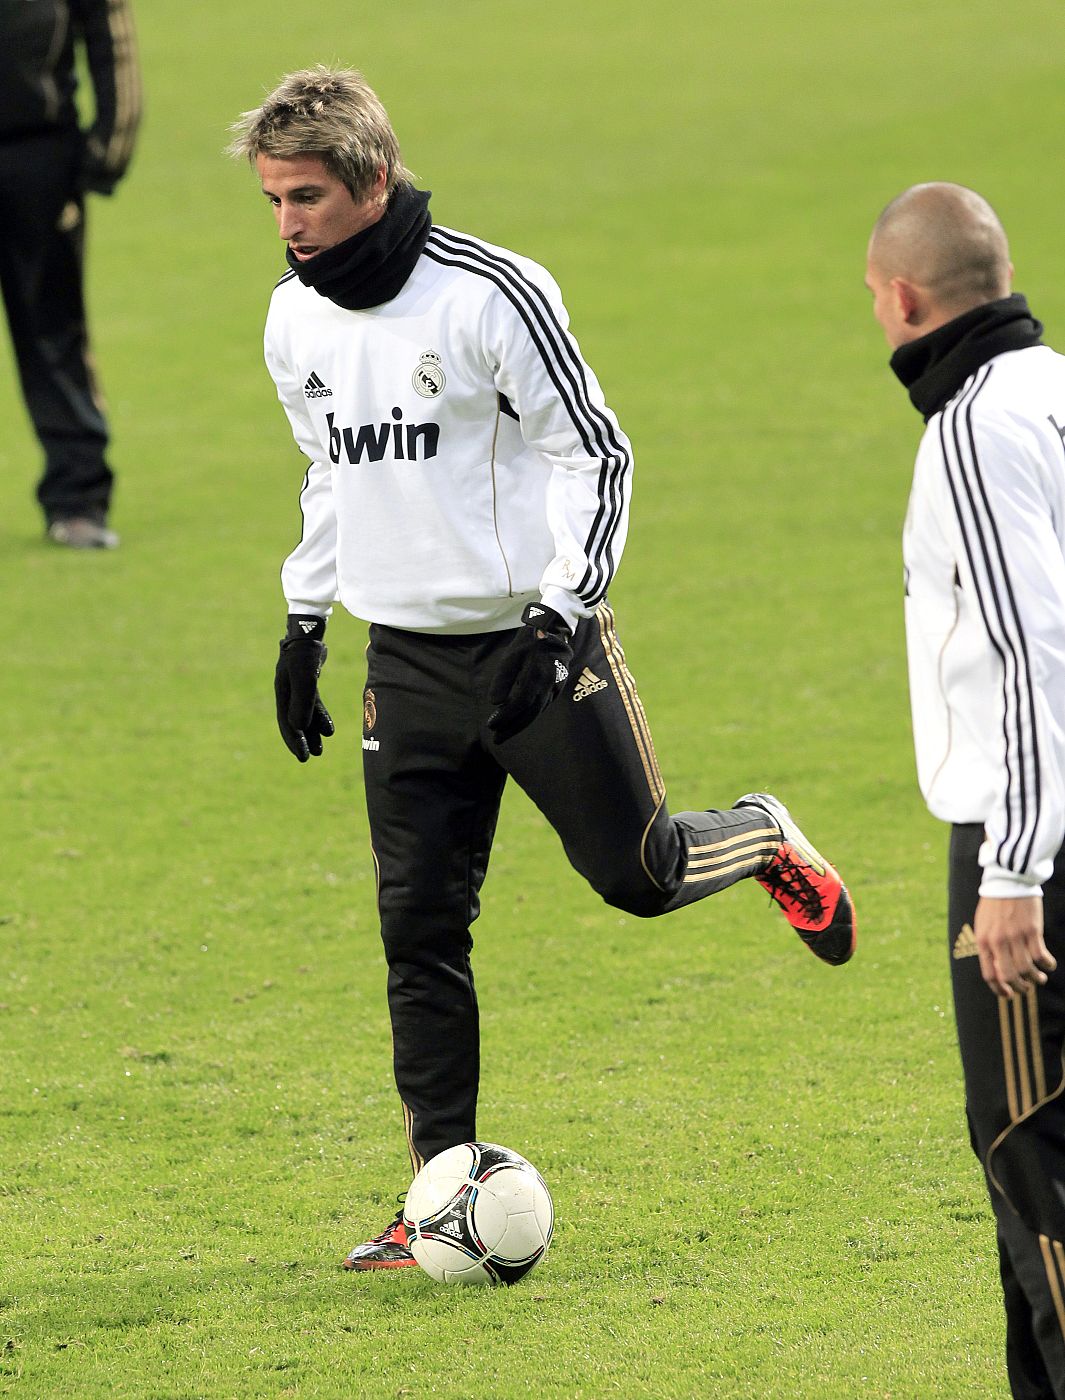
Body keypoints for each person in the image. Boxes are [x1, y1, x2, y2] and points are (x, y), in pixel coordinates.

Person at [229, 65, 856, 1272]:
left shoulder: (492, 294)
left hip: (534, 647)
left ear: (373, 180)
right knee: (418, 925)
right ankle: (434, 1193)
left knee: (640, 874)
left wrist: (561, 615)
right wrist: (305, 618)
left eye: (305, 195)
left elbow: (597, 455)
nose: (287, 222)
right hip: (406, 660)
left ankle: (763, 834)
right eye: (272, 199)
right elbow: (328, 470)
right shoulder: (292, 318)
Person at [867, 182, 1065, 1397]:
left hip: (1027, 832)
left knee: (1032, 1149)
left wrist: (1015, 868)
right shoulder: (1053, 389)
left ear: (901, 298)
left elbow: (1030, 650)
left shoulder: (976, 428)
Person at [0, 0, 141, 549]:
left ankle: (78, 499)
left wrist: (110, 145)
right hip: (40, 156)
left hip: (37, 153)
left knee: (53, 332)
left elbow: (111, 37)